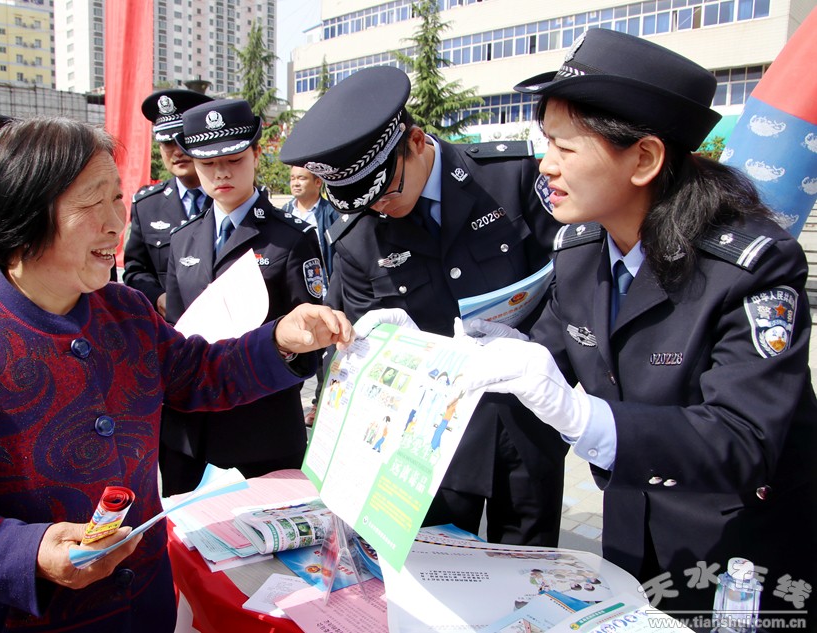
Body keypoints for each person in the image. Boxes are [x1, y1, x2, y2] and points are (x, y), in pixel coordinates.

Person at [0, 116, 352, 633]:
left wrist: (280, 340)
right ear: (25, 211)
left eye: (118, 198)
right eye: (92, 202)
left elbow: (198, 373)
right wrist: (25, 551)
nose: (117, 221)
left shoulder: (124, 310)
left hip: (142, 605)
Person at [466, 28, 816, 622]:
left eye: (565, 148)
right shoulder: (580, 250)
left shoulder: (750, 266)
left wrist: (583, 418)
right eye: (546, 143)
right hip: (632, 531)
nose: (546, 166)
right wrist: (434, 351)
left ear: (645, 158)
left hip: (735, 551)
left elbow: (744, 438)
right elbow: (543, 351)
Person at [280, 66, 566, 546]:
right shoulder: (358, 235)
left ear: (415, 142)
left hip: (527, 417)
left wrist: (536, 353)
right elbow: (353, 347)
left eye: (387, 192)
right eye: (363, 203)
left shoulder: (510, 178)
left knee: (529, 569)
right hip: (431, 440)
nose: (379, 208)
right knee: (435, 569)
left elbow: (570, 285)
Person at [158, 99, 327, 495]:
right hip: (189, 435)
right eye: (207, 163)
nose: (221, 173)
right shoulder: (184, 239)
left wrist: (282, 348)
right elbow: (175, 334)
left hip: (261, 431)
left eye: (234, 160)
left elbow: (312, 343)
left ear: (256, 154)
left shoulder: (291, 239)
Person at [123, 89, 214, 317]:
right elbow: (135, 270)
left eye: (183, 139)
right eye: (167, 142)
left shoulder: (230, 198)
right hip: (167, 327)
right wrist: (158, 297)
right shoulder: (146, 205)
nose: (177, 151)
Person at [282, 165, 340, 425]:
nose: (296, 183)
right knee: (292, 350)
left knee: (323, 354)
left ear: (318, 183)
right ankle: (288, 405)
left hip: (324, 296)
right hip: (294, 298)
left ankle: (319, 405)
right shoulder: (284, 212)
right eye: (293, 178)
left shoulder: (331, 213)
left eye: (302, 178)